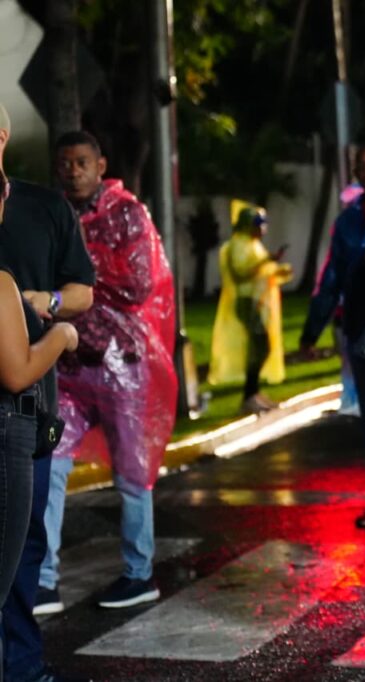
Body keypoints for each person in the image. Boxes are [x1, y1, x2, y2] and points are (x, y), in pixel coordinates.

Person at [35, 131, 177, 615]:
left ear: (101, 165)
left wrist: (77, 270)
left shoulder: (126, 213)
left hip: (122, 365)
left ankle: (139, 574)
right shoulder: (53, 213)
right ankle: (44, 580)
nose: (72, 171)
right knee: (50, 466)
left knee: (133, 476)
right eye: (64, 163)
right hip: (69, 363)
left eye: (81, 162)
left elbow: (139, 280)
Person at [0, 103, 96, 682]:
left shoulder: (41, 205)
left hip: (25, 410)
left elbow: (81, 290)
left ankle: (23, 665)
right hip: (18, 390)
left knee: (22, 547)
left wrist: (49, 304)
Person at [299, 144, 365, 528]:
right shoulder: (347, 222)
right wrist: (313, 329)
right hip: (362, 329)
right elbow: (332, 278)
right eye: (364, 165)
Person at [208, 206, 292, 413]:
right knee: (260, 347)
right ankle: (249, 396)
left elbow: (260, 270)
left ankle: (253, 393)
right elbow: (240, 273)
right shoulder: (238, 245)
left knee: (260, 348)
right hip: (247, 301)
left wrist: (276, 269)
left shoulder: (253, 245)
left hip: (257, 301)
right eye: (258, 224)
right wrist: (267, 261)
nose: (262, 229)